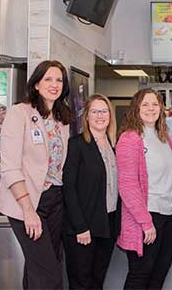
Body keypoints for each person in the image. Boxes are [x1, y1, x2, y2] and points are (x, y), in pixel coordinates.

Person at [0, 60, 71, 289]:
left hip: (55, 200)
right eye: (48, 79)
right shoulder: (20, 113)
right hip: (25, 202)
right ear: (36, 84)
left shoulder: (61, 119)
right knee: (49, 276)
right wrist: (28, 210)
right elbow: (9, 167)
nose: (54, 84)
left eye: (59, 80)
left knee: (39, 269)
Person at [116, 88, 172, 290]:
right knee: (140, 277)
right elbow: (127, 186)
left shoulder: (164, 137)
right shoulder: (130, 138)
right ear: (136, 108)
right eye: (145, 104)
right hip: (147, 218)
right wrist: (146, 223)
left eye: (155, 104)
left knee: (158, 277)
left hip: (169, 215)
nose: (151, 109)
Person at [62, 93, 121, 289]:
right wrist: (80, 227)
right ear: (86, 116)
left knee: (98, 279)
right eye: (94, 111)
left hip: (107, 223)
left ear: (110, 116)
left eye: (104, 111)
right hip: (83, 226)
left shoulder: (114, 145)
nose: (100, 115)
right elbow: (68, 189)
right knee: (81, 281)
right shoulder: (77, 145)